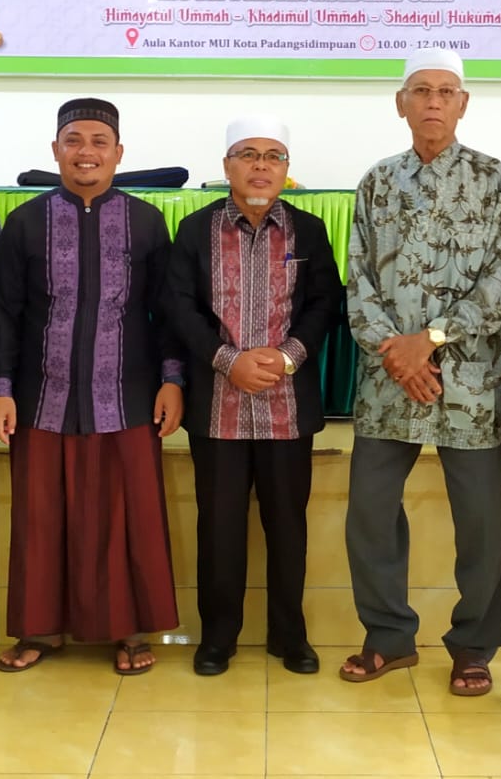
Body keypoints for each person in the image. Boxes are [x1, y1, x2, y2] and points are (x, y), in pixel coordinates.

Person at [342, 48, 501, 696]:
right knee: (369, 514)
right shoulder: (376, 183)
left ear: (463, 104)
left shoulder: (494, 181)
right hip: (388, 380)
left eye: (446, 91)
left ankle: (473, 646)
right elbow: (358, 279)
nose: (434, 101)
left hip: (467, 385)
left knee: (480, 525)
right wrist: (398, 352)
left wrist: (433, 340)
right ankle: (388, 637)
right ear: (402, 103)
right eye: (421, 90)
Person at [0, 98, 184, 675]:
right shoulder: (26, 222)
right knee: (41, 518)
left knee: (126, 518)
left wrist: (172, 380)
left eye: (99, 141)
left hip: (126, 396)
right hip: (42, 397)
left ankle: (128, 631)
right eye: (74, 140)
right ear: (56, 150)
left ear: (119, 153)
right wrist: (0, 387)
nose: (86, 152)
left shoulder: (147, 221)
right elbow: (4, 311)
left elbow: (167, 311)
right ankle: (39, 630)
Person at [164, 116, 342, 676]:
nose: (261, 165)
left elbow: (325, 304)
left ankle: (290, 636)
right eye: (248, 154)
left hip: (288, 410)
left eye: (273, 156)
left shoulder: (309, 230)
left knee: (288, 528)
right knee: (219, 530)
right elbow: (178, 307)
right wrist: (229, 361)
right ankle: (218, 638)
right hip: (218, 409)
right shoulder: (195, 230)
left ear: (286, 169)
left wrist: (287, 358)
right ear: (227, 166)